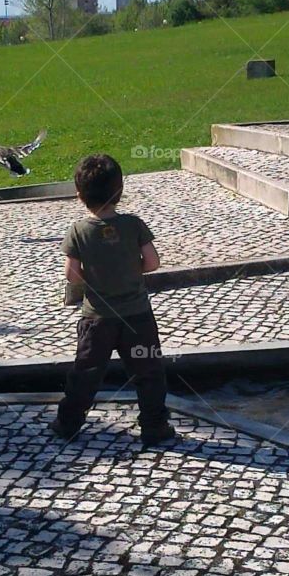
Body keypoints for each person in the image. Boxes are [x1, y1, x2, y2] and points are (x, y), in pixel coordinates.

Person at [51, 153, 176, 446]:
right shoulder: (133, 225)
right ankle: (154, 426)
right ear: (120, 191)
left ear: (79, 195)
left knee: (86, 372)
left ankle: (67, 423)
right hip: (138, 317)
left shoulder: (78, 231)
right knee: (149, 372)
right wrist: (132, 271)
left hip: (97, 319)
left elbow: (72, 275)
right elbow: (153, 262)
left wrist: (96, 278)